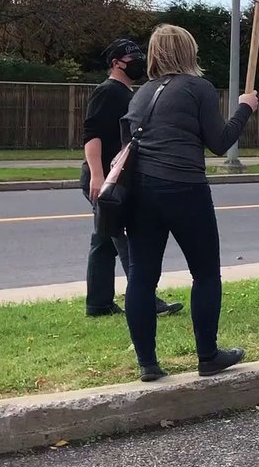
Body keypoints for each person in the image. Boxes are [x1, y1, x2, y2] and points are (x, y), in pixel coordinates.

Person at [121, 25, 259, 382]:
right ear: (187, 53)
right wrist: (245, 108)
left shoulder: (141, 94)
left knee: (142, 276)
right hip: (184, 187)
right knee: (205, 272)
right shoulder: (199, 88)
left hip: (140, 191)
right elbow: (219, 141)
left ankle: (148, 363)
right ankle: (208, 355)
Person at [79, 38, 181, 319]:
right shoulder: (108, 92)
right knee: (125, 238)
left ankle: (98, 304)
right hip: (109, 180)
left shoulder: (127, 93)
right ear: (115, 64)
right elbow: (92, 135)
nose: (137, 62)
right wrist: (98, 176)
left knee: (103, 241)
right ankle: (145, 298)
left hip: (118, 177)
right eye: (130, 58)